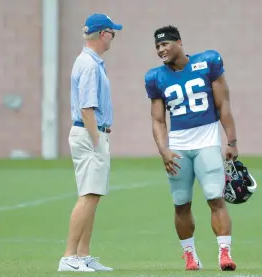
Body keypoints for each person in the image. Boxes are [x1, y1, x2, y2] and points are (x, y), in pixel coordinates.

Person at [144, 25, 238, 271]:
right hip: (178, 147)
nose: (161, 50)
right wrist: (163, 150)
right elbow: (157, 119)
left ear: (179, 42)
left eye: (165, 44)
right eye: (157, 46)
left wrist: (231, 140)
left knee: (215, 198)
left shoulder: (207, 62)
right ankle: (190, 255)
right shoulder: (155, 77)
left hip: (206, 140)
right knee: (181, 203)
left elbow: (223, 103)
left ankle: (224, 253)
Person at [57, 13, 122, 272]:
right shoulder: (88, 64)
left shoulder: (93, 62)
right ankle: (69, 256)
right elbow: (87, 108)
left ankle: (83, 255)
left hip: (92, 132)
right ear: (103, 34)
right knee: (87, 196)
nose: (113, 38)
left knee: (93, 195)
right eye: (112, 33)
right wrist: (97, 139)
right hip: (88, 134)